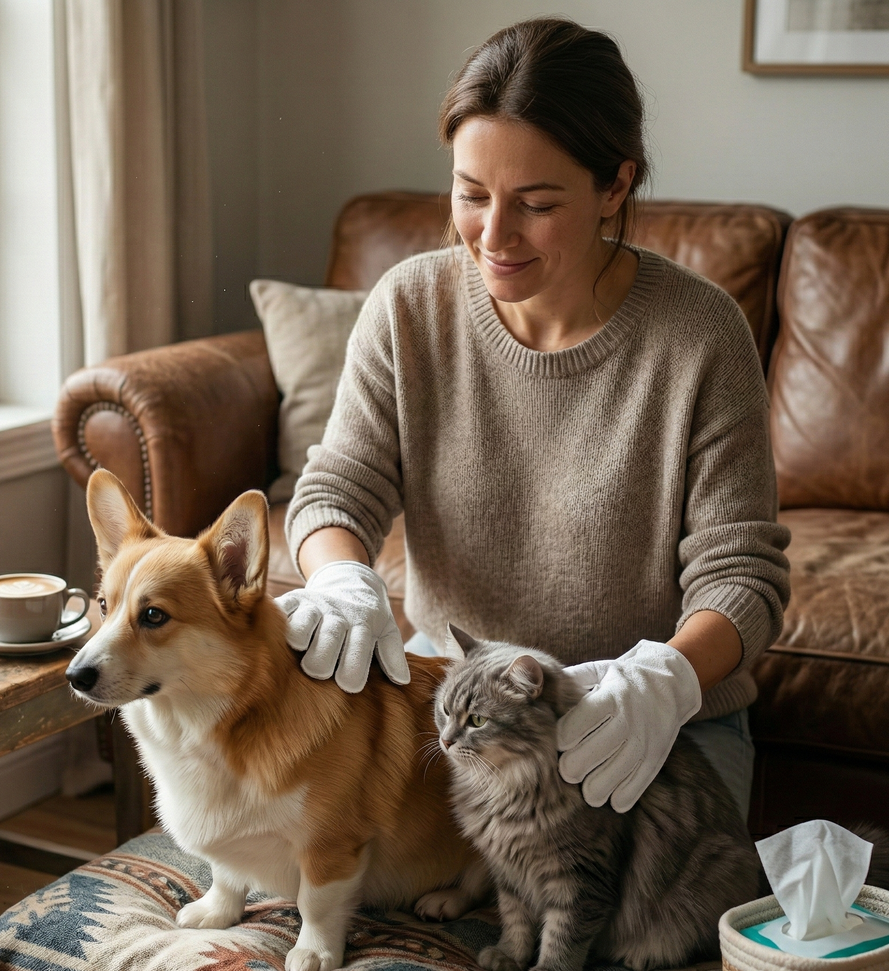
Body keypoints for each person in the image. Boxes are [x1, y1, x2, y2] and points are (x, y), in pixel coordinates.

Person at [277, 17, 790, 820]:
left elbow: (742, 577)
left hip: (649, 725)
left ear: (614, 187)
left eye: (537, 203)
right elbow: (337, 490)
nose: (494, 234)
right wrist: (343, 578)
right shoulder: (410, 307)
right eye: (471, 195)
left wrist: (665, 681)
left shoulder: (701, 335)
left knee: (641, 928)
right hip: (460, 713)